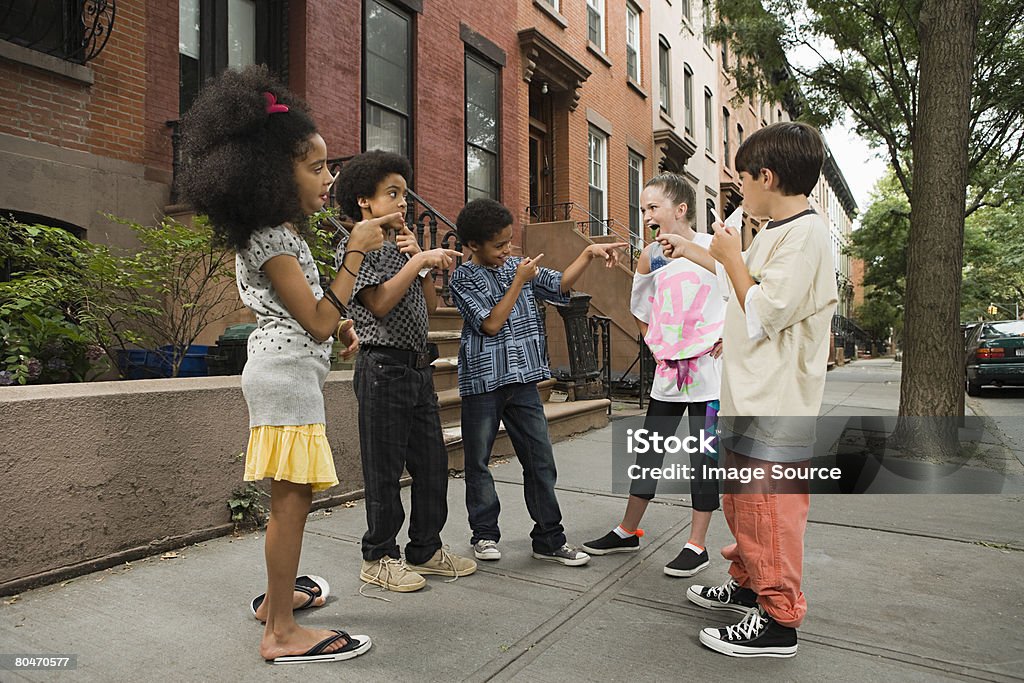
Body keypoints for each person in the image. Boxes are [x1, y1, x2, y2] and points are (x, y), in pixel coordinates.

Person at [178, 65, 387, 664]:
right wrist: (353, 256)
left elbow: (312, 316)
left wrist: (340, 323)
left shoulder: (276, 234)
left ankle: (277, 603)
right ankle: (281, 632)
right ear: (273, 173)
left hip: (289, 373)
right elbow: (314, 319)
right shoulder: (270, 241)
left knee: (292, 501)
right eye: (317, 167)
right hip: (284, 382)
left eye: (328, 164)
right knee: (291, 505)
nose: (331, 177)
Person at [658, 121, 838, 658]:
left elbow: (763, 310)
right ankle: (747, 583)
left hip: (776, 402)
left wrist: (732, 255)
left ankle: (778, 620)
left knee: (769, 509)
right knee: (741, 502)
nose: (738, 190)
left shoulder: (806, 235)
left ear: (768, 176)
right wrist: (693, 248)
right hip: (747, 395)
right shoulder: (776, 233)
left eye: (742, 180)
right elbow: (736, 281)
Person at [449, 198, 626, 566]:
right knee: (478, 461)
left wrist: (589, 253)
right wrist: (517, 282)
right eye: (498, 245)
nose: (507, 250)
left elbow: (560, 283)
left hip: (523, 379)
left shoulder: (518, 267)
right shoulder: (463, 277)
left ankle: (548, 538)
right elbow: (491, 324)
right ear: (473, 246)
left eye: (509, 241)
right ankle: (484, 534)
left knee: (540, 460)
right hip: (484, 380)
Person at [334, 150, 477, 593]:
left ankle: (425, 549)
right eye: (391, 194)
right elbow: (376, 304)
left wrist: (421, 265)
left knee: (433, 464)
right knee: (385, 470)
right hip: (382, 367)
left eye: (404, 193)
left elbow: (431, 307)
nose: (402, 203)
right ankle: (378, 556)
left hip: (417, 368)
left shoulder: (401, 246)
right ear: (364, 201)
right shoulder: (359, 246)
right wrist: (418, 262)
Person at [582, 173, 725, 579]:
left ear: (680, 209)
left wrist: (727, 335)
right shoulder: (651, 257)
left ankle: (696, 545)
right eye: (643, 209)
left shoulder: (713, 248)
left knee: (704, 459)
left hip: (707, 376)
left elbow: (737, 291)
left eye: (653, 208)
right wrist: (652, 345)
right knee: (649, 455)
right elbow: (640, 308)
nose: (646, 215)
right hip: (668, 376)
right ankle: (628, 529)